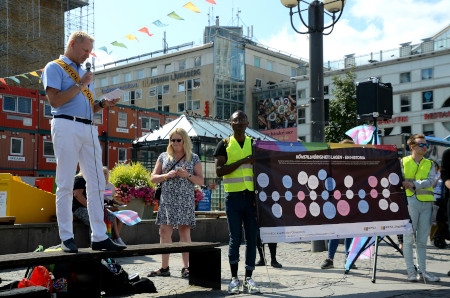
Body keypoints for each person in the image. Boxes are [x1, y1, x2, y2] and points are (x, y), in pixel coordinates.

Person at [41, 31, 124, 253]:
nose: (88, 55)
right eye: (85, 50)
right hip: (65, 124)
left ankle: (99, 236)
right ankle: (66, 237)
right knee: (66, 182)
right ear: (72, 44)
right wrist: (80, 84)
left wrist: (103, 104)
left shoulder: (83, 73)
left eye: (89, 51)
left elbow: (90, 107)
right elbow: (56, 101)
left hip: (88, 126)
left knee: (97, 182)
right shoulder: (54, 67)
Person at [214, 110, 260, 295]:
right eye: (235, 120)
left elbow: (263, 171)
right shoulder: (224, 144)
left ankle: (249, 278)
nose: (239, 122)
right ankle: (234, 279)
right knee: (235, 238)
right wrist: (244, 161)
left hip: (251, 199)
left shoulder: (255, 144)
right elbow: (219, 171)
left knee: (252, 239)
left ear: (248, 122)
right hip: (233, 198)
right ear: (230, 123)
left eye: (242, 119)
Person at [148, 128, 204, 279]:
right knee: (164, 231)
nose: (175, 143)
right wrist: (166, 175)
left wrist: (188, 175)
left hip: (185, 199)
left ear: (184, 140)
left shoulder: (194, 158)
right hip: (167, 199)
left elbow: (201, 181)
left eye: (178, 140)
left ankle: (186, 267)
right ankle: (164, 267)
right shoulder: (164, 156)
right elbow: (153, 178)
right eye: (172, 140)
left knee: (184, 232)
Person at [401, 134, 439, 282]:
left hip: (427, 204)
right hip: (410, 203)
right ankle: (411, 272)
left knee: (422, 241)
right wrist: (404, 183)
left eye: (426, 145)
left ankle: (423, 272)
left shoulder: (430, 163)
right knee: (408, 239)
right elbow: (398, 180)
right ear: (412, 146)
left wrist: (415, 184)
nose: (425, 147)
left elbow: (431, 181)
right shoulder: (403, 162)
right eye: (421, 144)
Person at [321, 139, 356, 270]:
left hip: (351, 200)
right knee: (335, 231)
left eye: (350, 149)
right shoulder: (334, 164)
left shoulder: (356, 164)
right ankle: (330, 259)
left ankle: (349, 258)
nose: (347, 152)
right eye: (345, 149)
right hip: (336, 201)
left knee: (350, 231)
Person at [72, 168, 126, 247]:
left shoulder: (99, 182)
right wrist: (91, 207)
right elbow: (77, 195)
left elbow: (106, 197)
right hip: (78, 208)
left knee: (110, 216)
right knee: (95, 218)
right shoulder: (80, 179)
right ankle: (95, 243)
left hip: (93, 206)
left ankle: (109, 239)